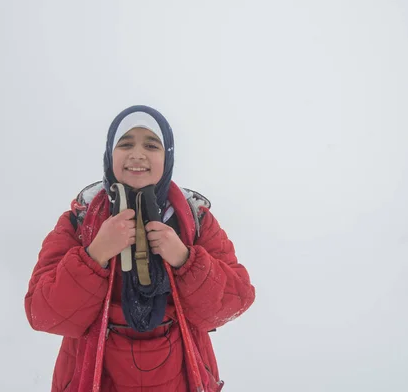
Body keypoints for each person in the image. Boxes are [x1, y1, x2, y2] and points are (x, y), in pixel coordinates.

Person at [25, 105, 255, 392]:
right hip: (98, 376)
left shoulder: (196, 220)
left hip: (182, 376)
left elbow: (235, 301)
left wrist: (185, 260)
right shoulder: (79, 221)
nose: (137, 154)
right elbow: (42, 313)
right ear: (110, 154)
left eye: (151, 145)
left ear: (167, 156)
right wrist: (95, 254)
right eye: (125, 144)